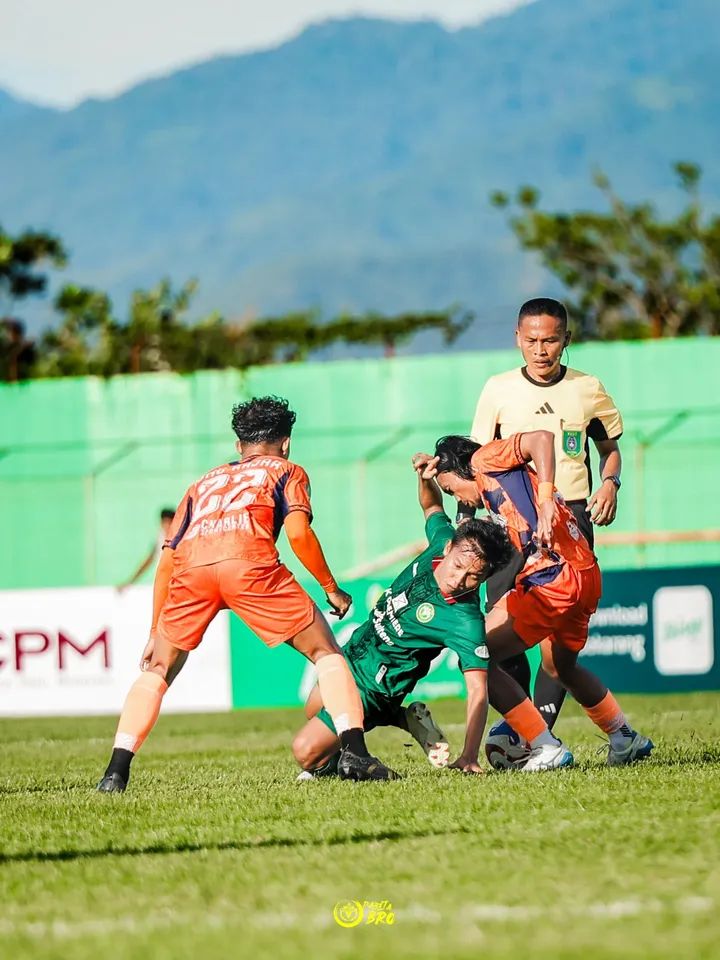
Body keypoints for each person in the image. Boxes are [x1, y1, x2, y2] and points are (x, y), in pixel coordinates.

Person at [97, 395, 398, 792]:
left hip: (193, 569)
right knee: (325, 653)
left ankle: (115, 772)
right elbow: (297, 533)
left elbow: (167, 560)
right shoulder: (287, 470)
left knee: (158, 670)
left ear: (238, 445)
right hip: (248, 563)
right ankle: (355, 754)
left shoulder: (201, 484)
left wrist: (155, 629)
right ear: (286, 442)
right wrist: (331, 588)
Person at [416, 430, 653, 767]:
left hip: (553, 578)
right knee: (561, 667)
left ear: (461, 466)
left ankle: (545, 746)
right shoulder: (493, 496)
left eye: (453, 488)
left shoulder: (484, 460)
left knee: (480, 655)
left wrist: (544, 498)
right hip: (584, 574)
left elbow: (541, 438)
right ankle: (623, 736)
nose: (460, 498)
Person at [292, 463, 516, 778]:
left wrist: (468, 756)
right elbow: (432, 505)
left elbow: (478, 691)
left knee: (305, 752)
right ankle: (402, 719)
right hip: (353, 654)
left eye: (474, 577)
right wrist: (424, 478)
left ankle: (361, 749)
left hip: (376, 687)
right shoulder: (440, 541)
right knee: (313, 708)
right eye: (458, 566)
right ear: (450, 547)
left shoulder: (465, 619)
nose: (459, 579)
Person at [468, 297, 624, 728]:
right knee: (504, 630)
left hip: (569, 520)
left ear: (566, 340)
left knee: (557, 642)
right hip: (509, 526)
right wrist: (467, 521)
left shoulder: (586, 387)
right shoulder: (497, 389)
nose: (541, 350)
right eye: (532, 340)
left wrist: (610, 483)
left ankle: (540, 734)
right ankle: (525, 732)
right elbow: (476, 461)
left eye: (551, 340)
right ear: (518, 339)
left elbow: (610, 451)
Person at [117, 507, 176, 592]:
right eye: (165, 522)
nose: (167, 526)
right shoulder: (160, 537)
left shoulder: (179, 539)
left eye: (170, 522)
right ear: (161, 523)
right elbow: (149, 559)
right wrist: (129, 582)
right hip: (162, 583)